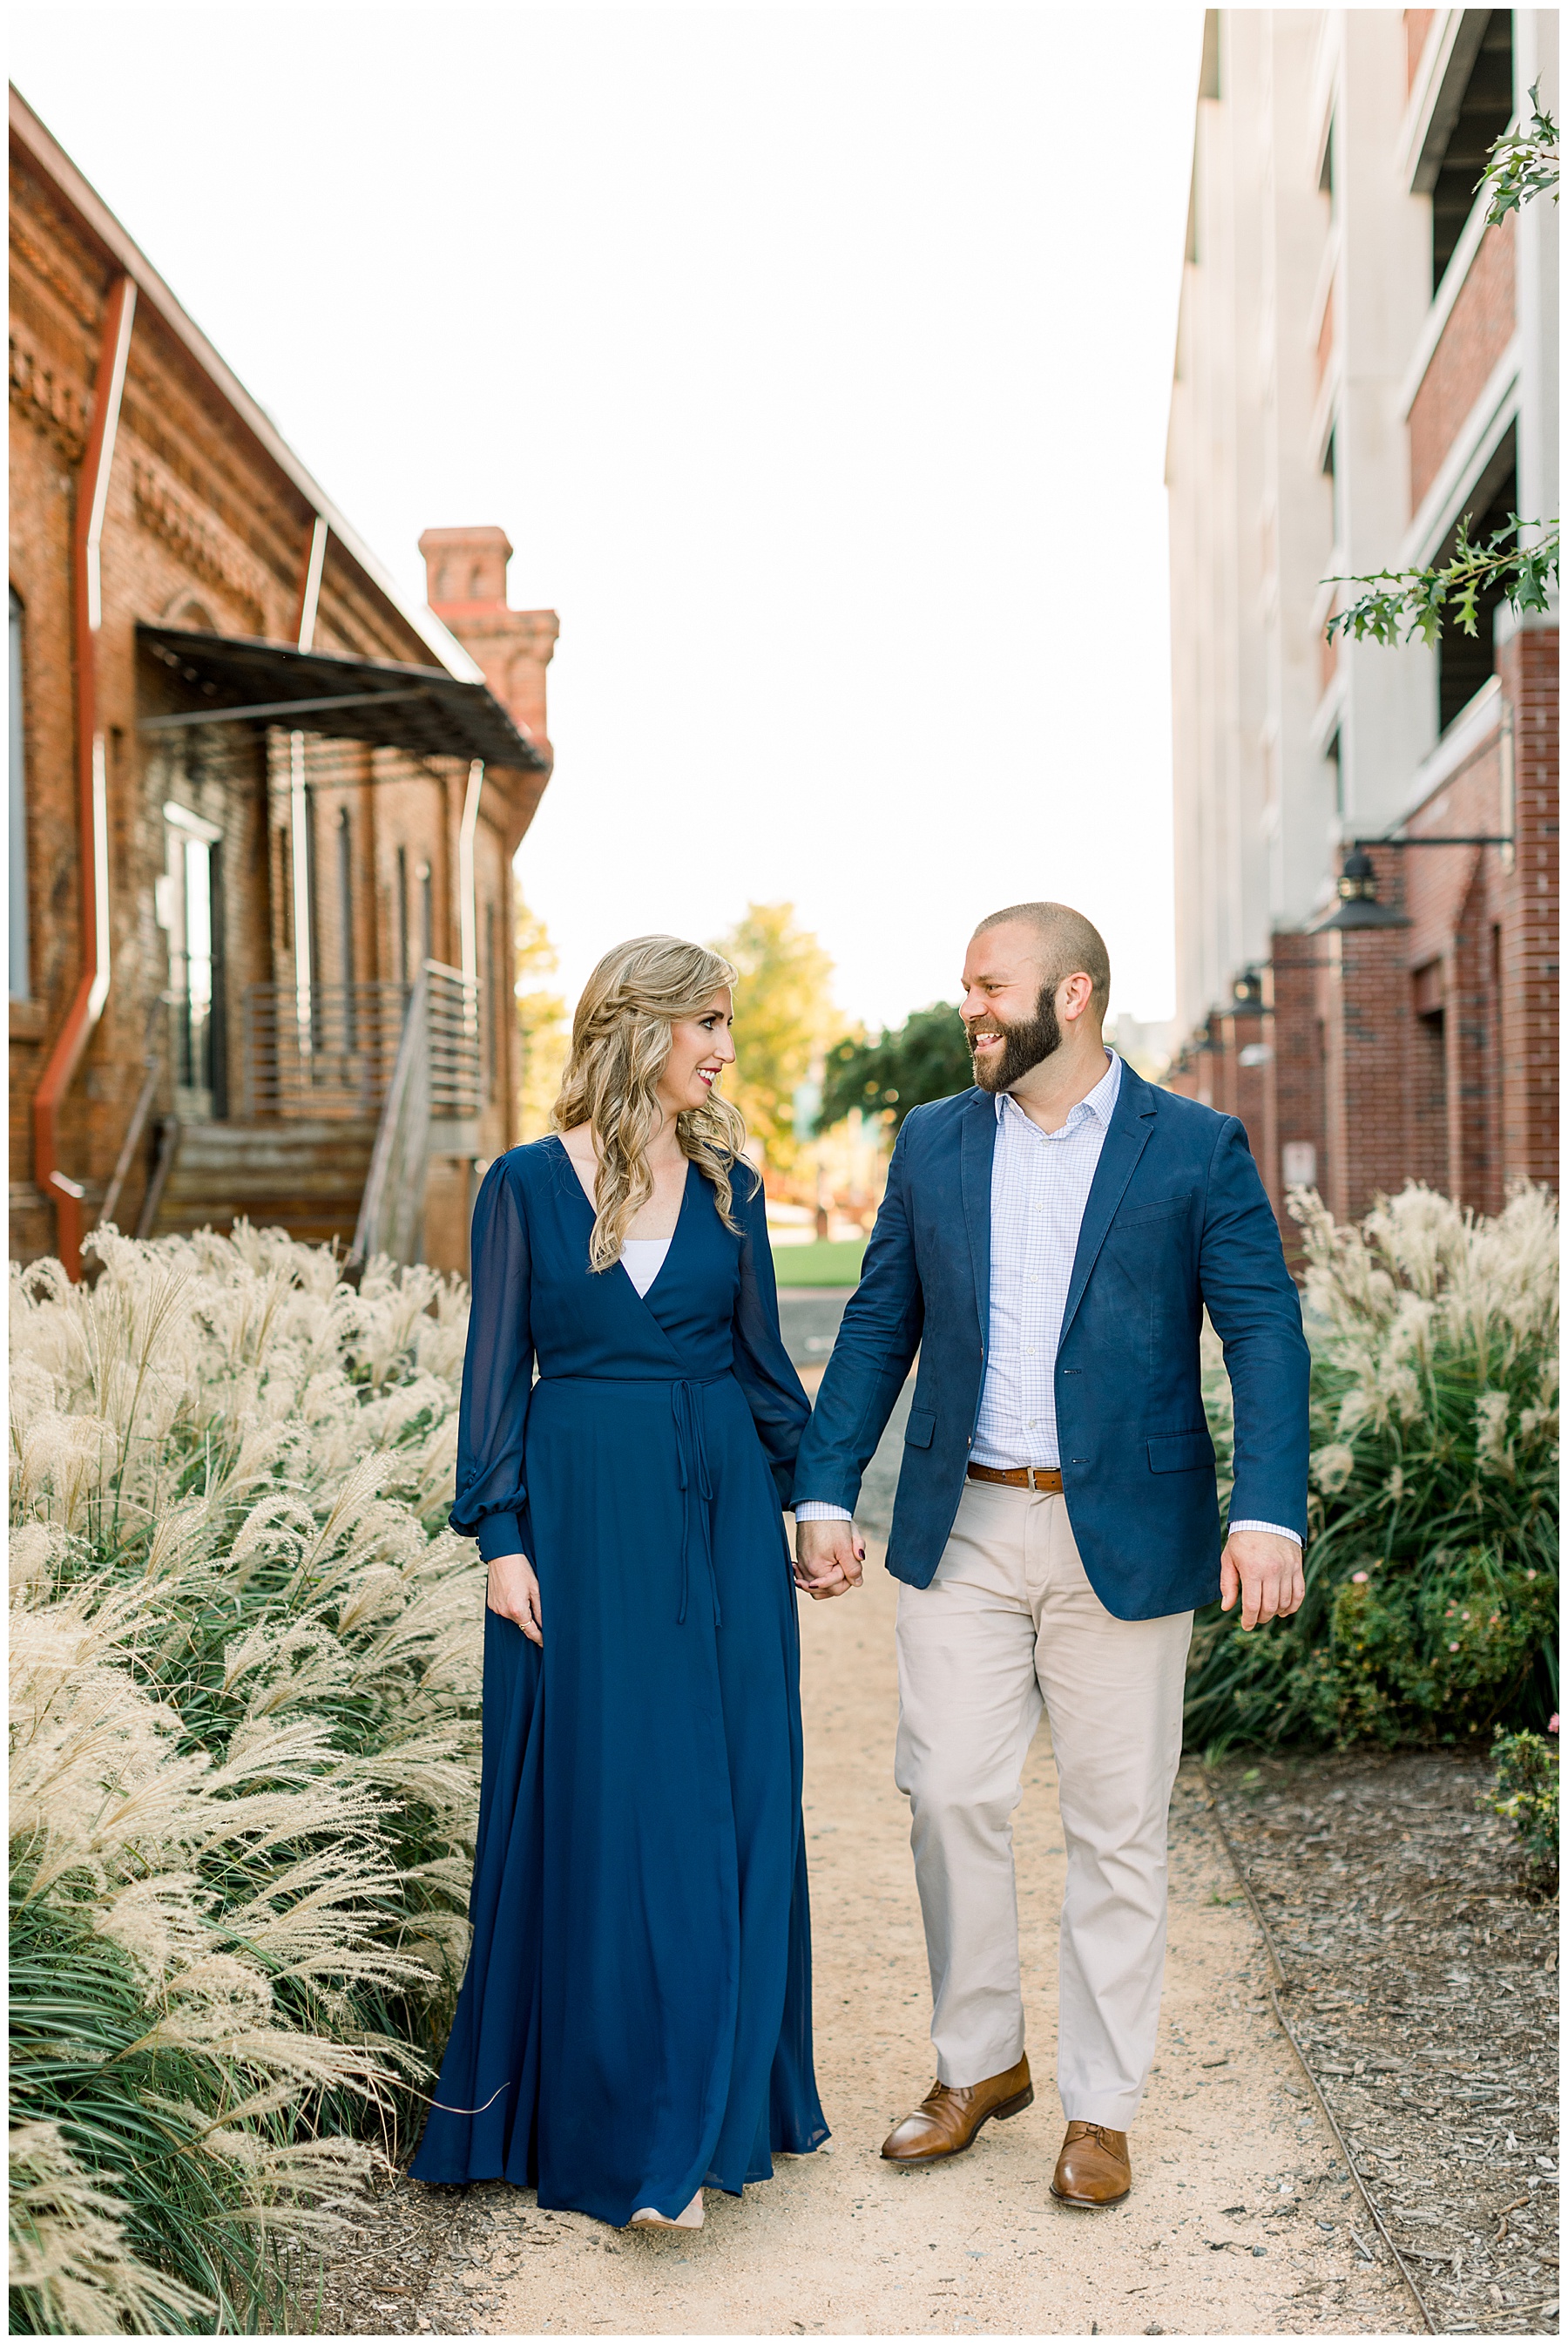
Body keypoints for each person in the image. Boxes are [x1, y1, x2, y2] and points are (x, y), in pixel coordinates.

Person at [792, 900, 1309, 2211]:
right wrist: (823, 1487)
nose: (969, 1006)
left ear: (1071, 995)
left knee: (1117, 1826)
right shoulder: (934, 1141)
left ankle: (1101, 2107)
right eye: (965, 985)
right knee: (949, 1790)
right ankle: (981, 2064)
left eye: (990, 985)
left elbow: (1264, 1334)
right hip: (964, 1521)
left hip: (1125, 1531)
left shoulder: (1192, 1147)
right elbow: (875, 1325)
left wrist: (1268, 1509)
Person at [410, 935, 829, 2231]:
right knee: (614, 1815)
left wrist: (817, 1503)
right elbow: (494, 1381)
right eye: (708, 1022)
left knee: (734, 1801)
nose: (724, 1049)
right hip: (584, 1533)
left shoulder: (733, 1189)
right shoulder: (525, 1186)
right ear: (638, 1028)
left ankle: (704, 2116)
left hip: (719, 1534)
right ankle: (631, 2119)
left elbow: (767, 1375)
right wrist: (501, 1537)